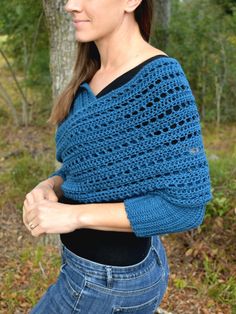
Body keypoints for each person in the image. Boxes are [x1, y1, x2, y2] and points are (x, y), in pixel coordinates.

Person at [23, 0, 212, 313]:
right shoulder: (89, 75)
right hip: (84, 270)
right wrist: (50, 186)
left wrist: (75, 216)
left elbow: (186, 208)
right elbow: (83, 170)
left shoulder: (161, 83)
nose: (70, 5)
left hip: (109, 284)